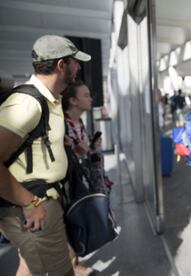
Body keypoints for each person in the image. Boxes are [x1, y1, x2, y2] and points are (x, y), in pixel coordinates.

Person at [0, 35, 90, 276]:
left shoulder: (50, 101)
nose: (79, 67)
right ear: (61, 65)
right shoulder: (27, 103)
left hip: (40, 202)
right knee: (62, 271)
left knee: (29, 266)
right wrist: (30, 203)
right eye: (74, 62)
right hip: (33, 205)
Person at [62, 81, 113, 195]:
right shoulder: (60, 125)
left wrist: (92, 147)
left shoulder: (80, 123)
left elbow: (85, 152)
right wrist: (74, 152)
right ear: (73, 100)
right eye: (86, 95)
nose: (90, 99)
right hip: (72, 189)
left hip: (88, 185)